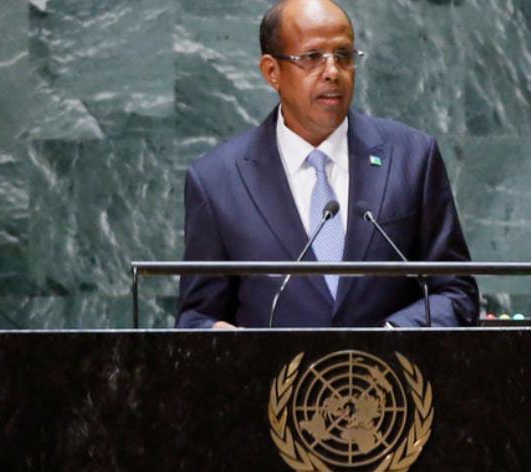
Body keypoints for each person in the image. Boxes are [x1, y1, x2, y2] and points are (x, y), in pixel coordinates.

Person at [176, 0, 478, 329]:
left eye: (344, 56)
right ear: (271, 72)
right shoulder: (218, 181)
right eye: (312, 57)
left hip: (390, 377)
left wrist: (393, 337)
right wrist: (222, 340)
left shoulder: (412, 158)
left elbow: (455, 292)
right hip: (275, 379)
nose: (332, 71)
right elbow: (197, 317)